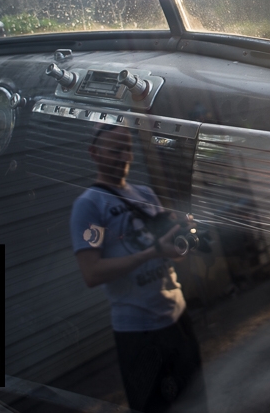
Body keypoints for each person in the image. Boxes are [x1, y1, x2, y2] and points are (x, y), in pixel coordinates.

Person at [71, 125, 206, 413]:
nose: (124, 157)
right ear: (94, 153)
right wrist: (150, 253)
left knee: (196, 402)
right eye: (115, 150)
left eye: (128, 148)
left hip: (176, 316)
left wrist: (187, 236)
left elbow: (173, 253)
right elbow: (92, 272)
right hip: (138, 331)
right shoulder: (90, 206)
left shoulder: (144, 194)